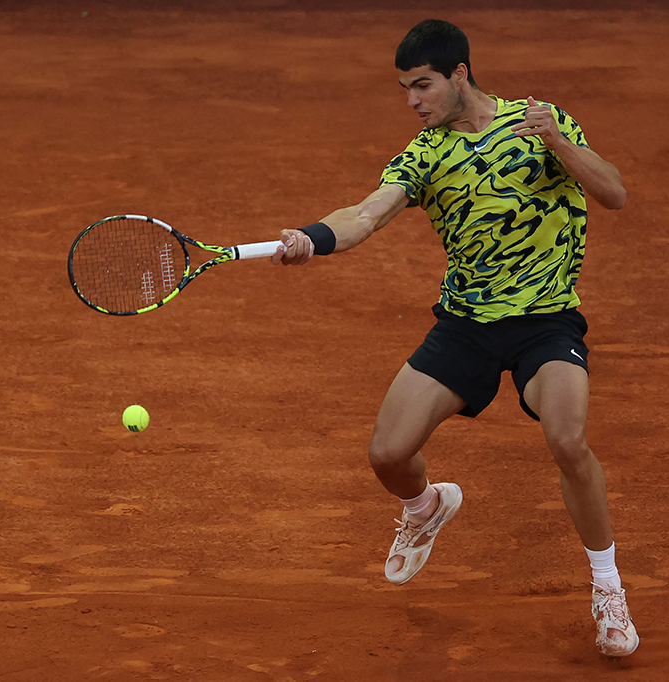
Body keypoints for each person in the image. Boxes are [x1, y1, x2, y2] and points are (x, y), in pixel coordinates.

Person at [270, 19, 639, 657]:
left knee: (568, 438)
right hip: (465, 325)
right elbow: (364, 214)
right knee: (387, 455)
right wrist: (312, 238)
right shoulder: (425, 155)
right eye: (406, 89)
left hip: (546, 321)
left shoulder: (539, 123)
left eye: (423, 86)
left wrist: (559, 143)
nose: (413, 101)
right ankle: (426, 508)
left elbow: (613, 193)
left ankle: (608, 588)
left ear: (460, 75)